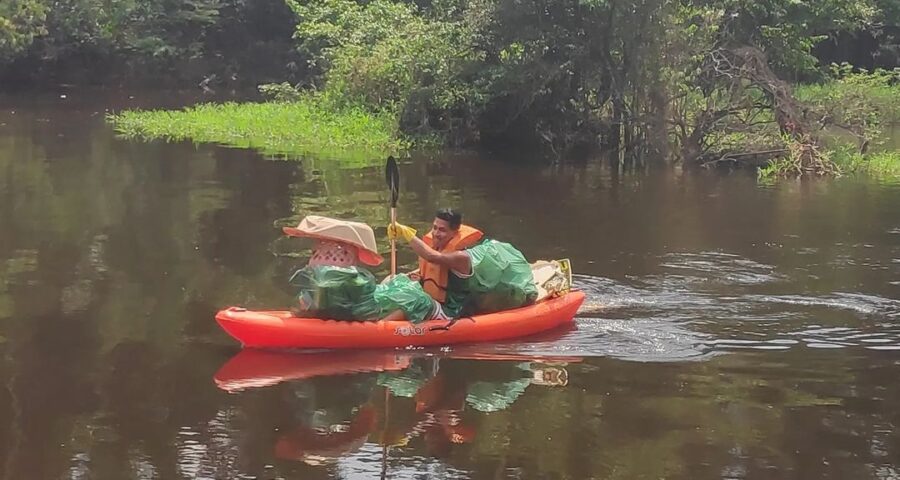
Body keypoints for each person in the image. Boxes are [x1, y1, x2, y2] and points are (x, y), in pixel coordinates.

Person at [387, 209, 538, 319]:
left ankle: (382, 328)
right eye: (434, 228)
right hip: (434, 301)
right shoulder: (438, 247)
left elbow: (432, 257)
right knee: (393, 281)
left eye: (442, 230)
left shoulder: (461, 258)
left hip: (450, 312)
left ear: (455, 233)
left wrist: (406, 234)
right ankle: (373, 318)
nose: (435, 233)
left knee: (417, 301)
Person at [284, 215, 434, 322]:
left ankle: (380, 329)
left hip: (338, 301)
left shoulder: (319, 266)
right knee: (418, 298)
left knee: (401, 286)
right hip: (351, 306)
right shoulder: (338, 269)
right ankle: (380, 328)